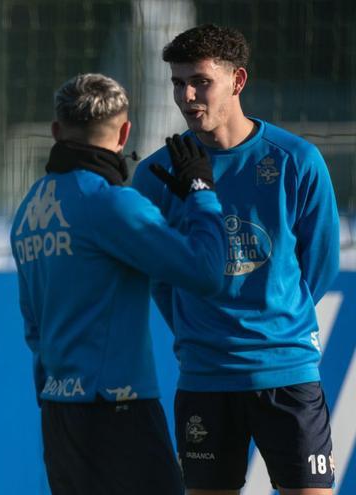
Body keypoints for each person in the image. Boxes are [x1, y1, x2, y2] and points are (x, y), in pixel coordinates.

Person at [132, 24, 340, 495]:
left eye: (200, 81)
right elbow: (157, 277)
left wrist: (273, 322)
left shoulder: (296, 161)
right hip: (206, 377)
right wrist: (198, 327)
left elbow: (319, 266)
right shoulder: (156, 176)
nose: (187, 95)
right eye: (177, 83)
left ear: (237, 81)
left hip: (287, 374)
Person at [10, 73, 227, 495]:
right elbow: (206, 272)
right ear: (125, 131)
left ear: (56, 130)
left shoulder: (29, 210)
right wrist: (200, 189)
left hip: (60, 416)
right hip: (118, 409)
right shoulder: (111, 203)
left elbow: (33, 329)